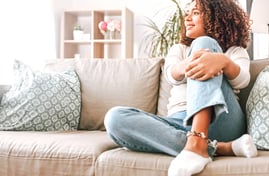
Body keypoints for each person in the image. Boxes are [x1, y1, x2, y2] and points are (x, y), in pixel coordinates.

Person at [104, 0, 258, 175]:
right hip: (180, 123)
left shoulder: (235, 52)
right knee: (114, 118)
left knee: (203, 43)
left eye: (196, 12)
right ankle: (216, 147)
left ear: (217, 16)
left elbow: (242, 80)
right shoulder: (179, 49)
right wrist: (187, 65)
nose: (187, 18)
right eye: (187, 13)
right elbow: (171, 75)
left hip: (223, 120)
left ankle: (198, 142)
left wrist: (222, 61)